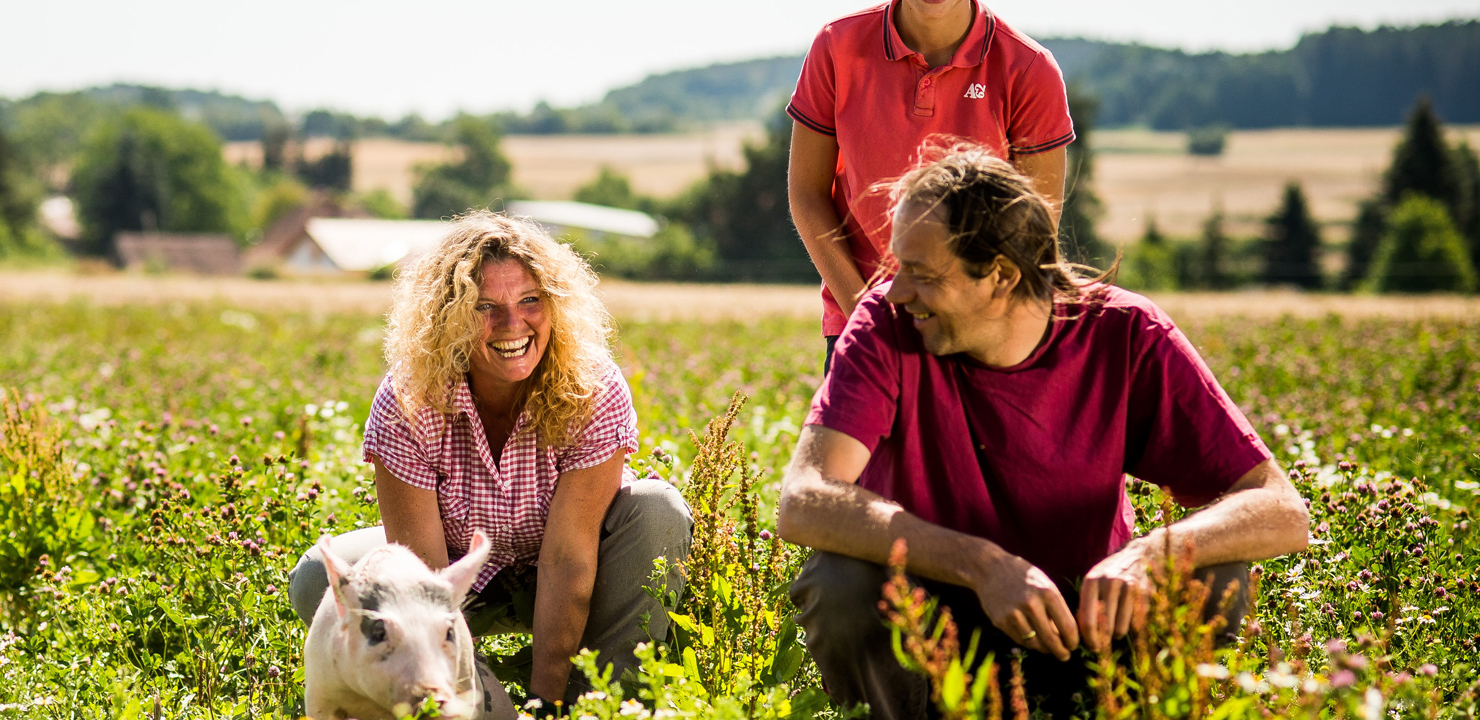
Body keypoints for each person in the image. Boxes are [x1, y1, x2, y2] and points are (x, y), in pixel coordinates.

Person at [774, 147, 1311, 718]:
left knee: (1210, 569)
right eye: (898, 267)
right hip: (936, 623)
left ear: (1001, 275)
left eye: (924, 275)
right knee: (841, 581)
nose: (897, 291)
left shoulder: (1127, 333)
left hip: (1087, 624)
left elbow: (1281, 509)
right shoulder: (887, 323)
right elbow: (805, 500)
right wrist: (982, 566)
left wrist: (1151, 555)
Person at [288, 211, 692, 711]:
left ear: (556, 306)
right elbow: (424, 581)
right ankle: (456, 699)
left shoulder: (593, 388)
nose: (511, 324)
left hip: (575, 567)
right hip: (458, 575)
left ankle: (602, 702)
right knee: (319, 579)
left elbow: (567, 560)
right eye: (484, 307)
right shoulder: (408, 399)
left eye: (530, 300)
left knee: (656, 509)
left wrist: (545, 701)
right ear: (448, 316)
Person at [785, 0, 1074, 371]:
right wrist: (867, 317)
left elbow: (1035, 232)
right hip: (860, 328)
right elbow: (807, 193)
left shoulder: (1029, 67)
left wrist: (972, 323)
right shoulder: (836, 45)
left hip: (979, 334)